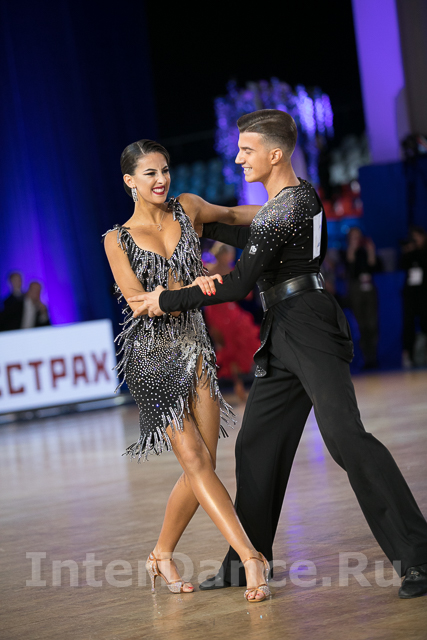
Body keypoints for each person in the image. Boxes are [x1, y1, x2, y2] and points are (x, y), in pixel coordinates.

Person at [131, 111, 427, 599]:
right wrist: (197, 218)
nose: (238, 158)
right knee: (256, 444)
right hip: (283, 331)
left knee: (345, 438)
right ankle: (246, 559)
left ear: (275, 154)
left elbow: (239, 283)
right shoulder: (284, 204)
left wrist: (167, 299)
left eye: (246, 150)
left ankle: (418, 555)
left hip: (308, 325)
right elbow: (245, 230)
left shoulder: (292, 203)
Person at [103, 139, 271, 602]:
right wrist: (192, 288)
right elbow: (139, 303)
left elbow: (233, 215)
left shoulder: (189, 208)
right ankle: (251, 556)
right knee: (195, 462)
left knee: (204, 465)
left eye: (165, 170)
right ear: (130, 181)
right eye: (150, 173)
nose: (161, 180)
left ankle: (161, 553)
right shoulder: (116, 239)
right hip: (152, 356)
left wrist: (286, 208)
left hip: (196, 349)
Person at [203, 243, 260, 401]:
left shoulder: (231, 270)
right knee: (225, 349)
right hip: (217, 314)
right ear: (221, 254)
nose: (230, 257)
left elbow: (245, 294)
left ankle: (240, 384)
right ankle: (229, 385)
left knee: (239, 345)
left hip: (231, 313)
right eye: (228, 254)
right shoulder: (209, 270)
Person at [343, 227, 382, 369]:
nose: (357, 239)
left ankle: (373, 356)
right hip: (356, 289)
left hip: (369, 288)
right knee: (361, 324)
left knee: (372, 323)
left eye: (358, 236)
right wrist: (352, 249)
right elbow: (349, 267)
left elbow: (374, 266)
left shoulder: (365, 251)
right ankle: (366, 357)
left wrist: (371, 251)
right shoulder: (346, 252)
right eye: (353, 237)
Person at [400, 226, 427, 368]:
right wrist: (408, 251)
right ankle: (408, 354)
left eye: (417, 237)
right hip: (410, 294)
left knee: (425, 322)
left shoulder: (424, 252)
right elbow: (402, 265)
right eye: (413, 238)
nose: (415, 240)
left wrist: (417, 250)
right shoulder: (409, 253)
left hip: (424, 293)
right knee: (408, 323)